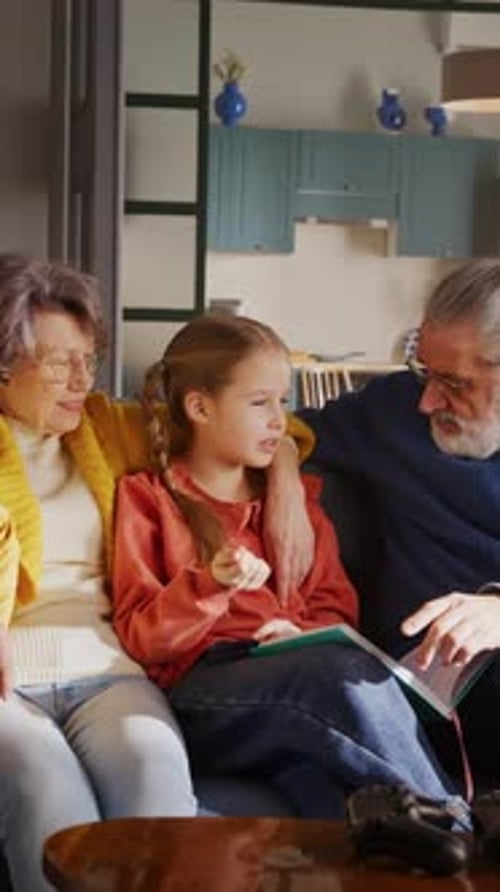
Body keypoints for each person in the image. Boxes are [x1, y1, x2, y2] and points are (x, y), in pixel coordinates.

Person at [112, 312, 461, 822]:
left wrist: (298, 633)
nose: (280, 419)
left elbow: (332, 603)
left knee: (337, 791)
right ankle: (466, 832)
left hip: (291, 683)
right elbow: (141, 636)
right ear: (200, 407)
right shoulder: (147, 499)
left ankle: (440, 847)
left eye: (283, 400)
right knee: (333, 677)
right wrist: (210, 587)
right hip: (202, 691)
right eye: (260, 403)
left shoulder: (297, 505)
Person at [0, 253, 197, 892]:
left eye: (88, 359)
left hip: (106, 669)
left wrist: (279, 473)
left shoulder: (108, 428)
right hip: (6, 685)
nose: (82, 380)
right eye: (60, 362)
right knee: (50, 797)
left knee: (155, 769)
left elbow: (243, 426)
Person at [283, 258, 500, 790]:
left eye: (452, 382)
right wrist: (285, 480)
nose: (427, 401)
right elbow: (274, 431)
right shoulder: (391, 411)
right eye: (423, 371)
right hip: (411, 699)